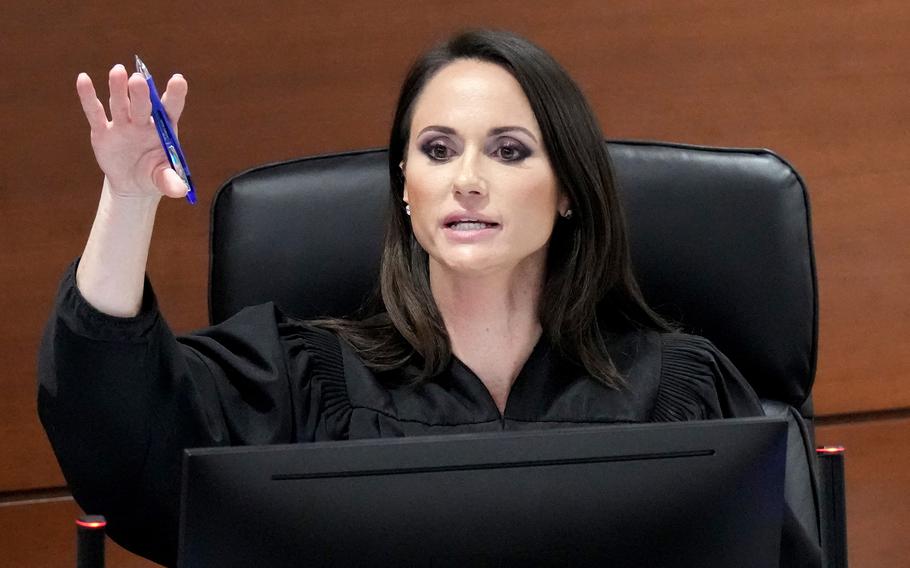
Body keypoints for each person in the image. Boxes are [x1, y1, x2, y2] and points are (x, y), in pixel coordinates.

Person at [38, 30, 820, 567]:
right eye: (437, 150)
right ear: (406, 190)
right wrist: (128, 201)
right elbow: (122, 437)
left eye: (509, 151)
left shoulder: (677, 389)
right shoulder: (304, 382)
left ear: (569, 192)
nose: (467, 178)